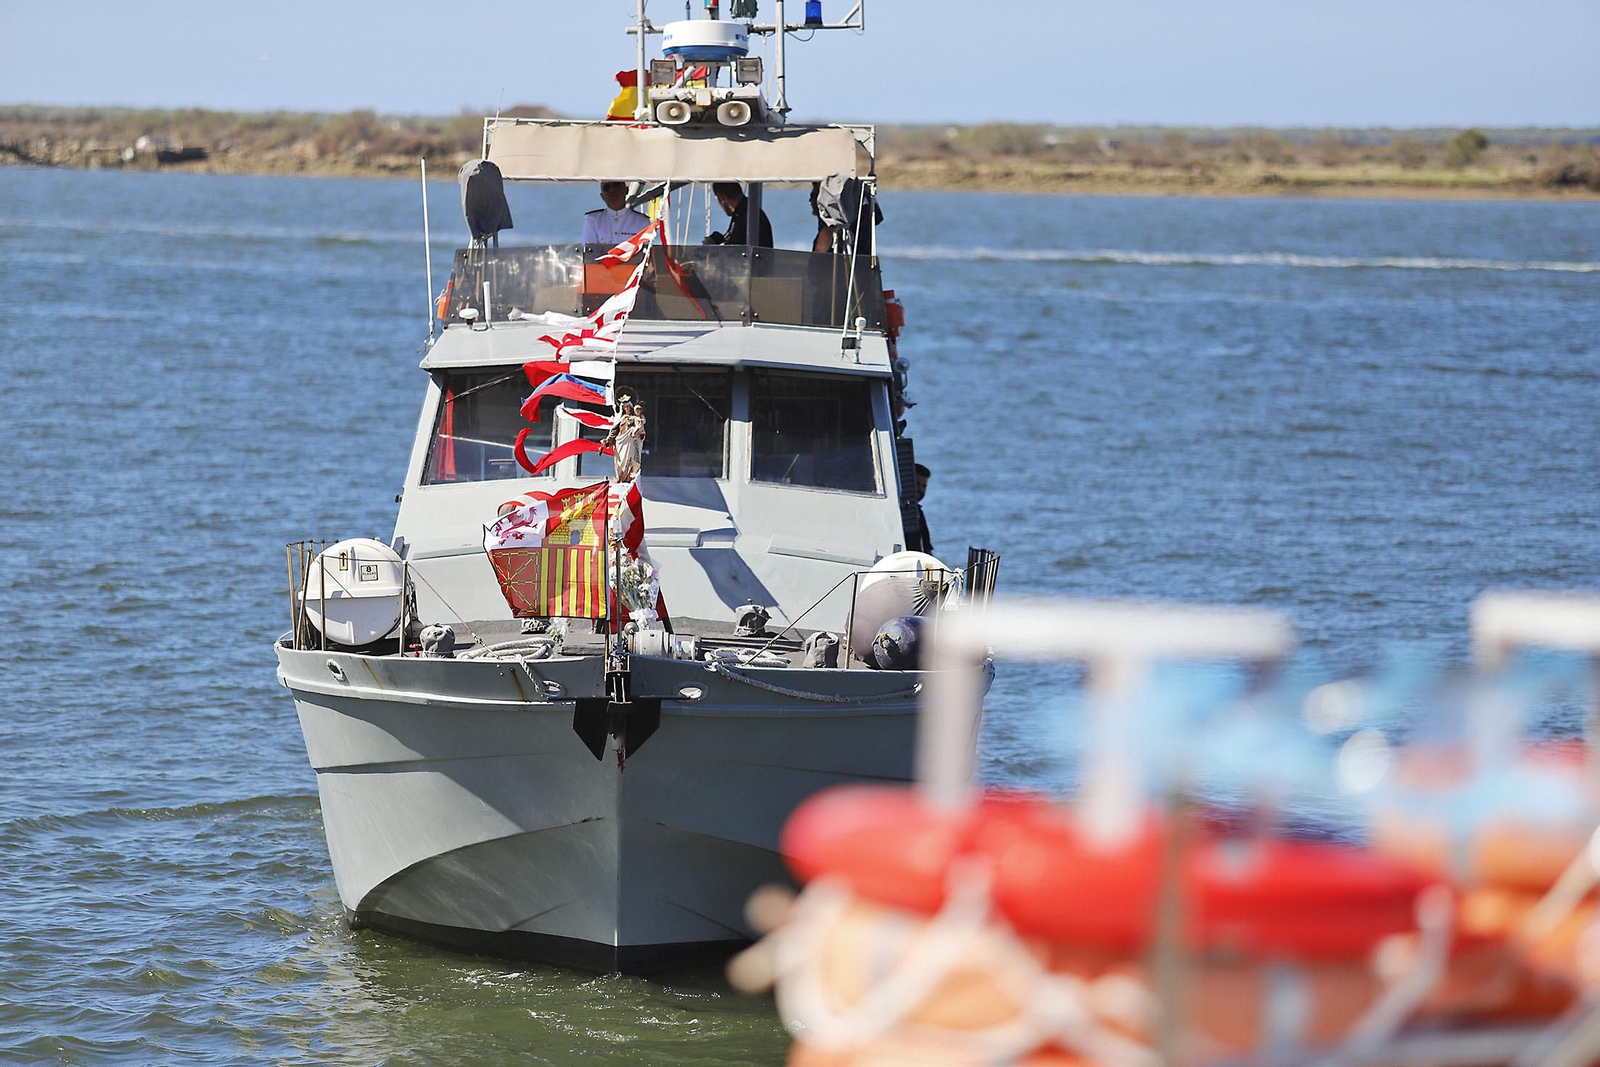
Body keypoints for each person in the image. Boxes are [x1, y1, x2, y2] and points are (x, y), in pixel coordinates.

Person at [702, 181, 773, 248]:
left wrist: (712, 247)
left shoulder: (745, 215)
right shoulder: (748, 210)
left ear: (721, 198)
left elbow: (732, 249)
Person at [583, 182, 651, 248]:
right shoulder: (593, 220)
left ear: (626, 190)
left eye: (617, 185)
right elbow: (589, 252)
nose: (612, 190)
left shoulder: (642, 222)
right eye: (606, 188)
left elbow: (646, 252)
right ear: (602, 196)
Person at [909, 463, 934, 555]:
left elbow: (927, 550)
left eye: (924, 486)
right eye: (917, 484)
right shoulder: (906, 512)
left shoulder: (918, 513)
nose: (921, 489)